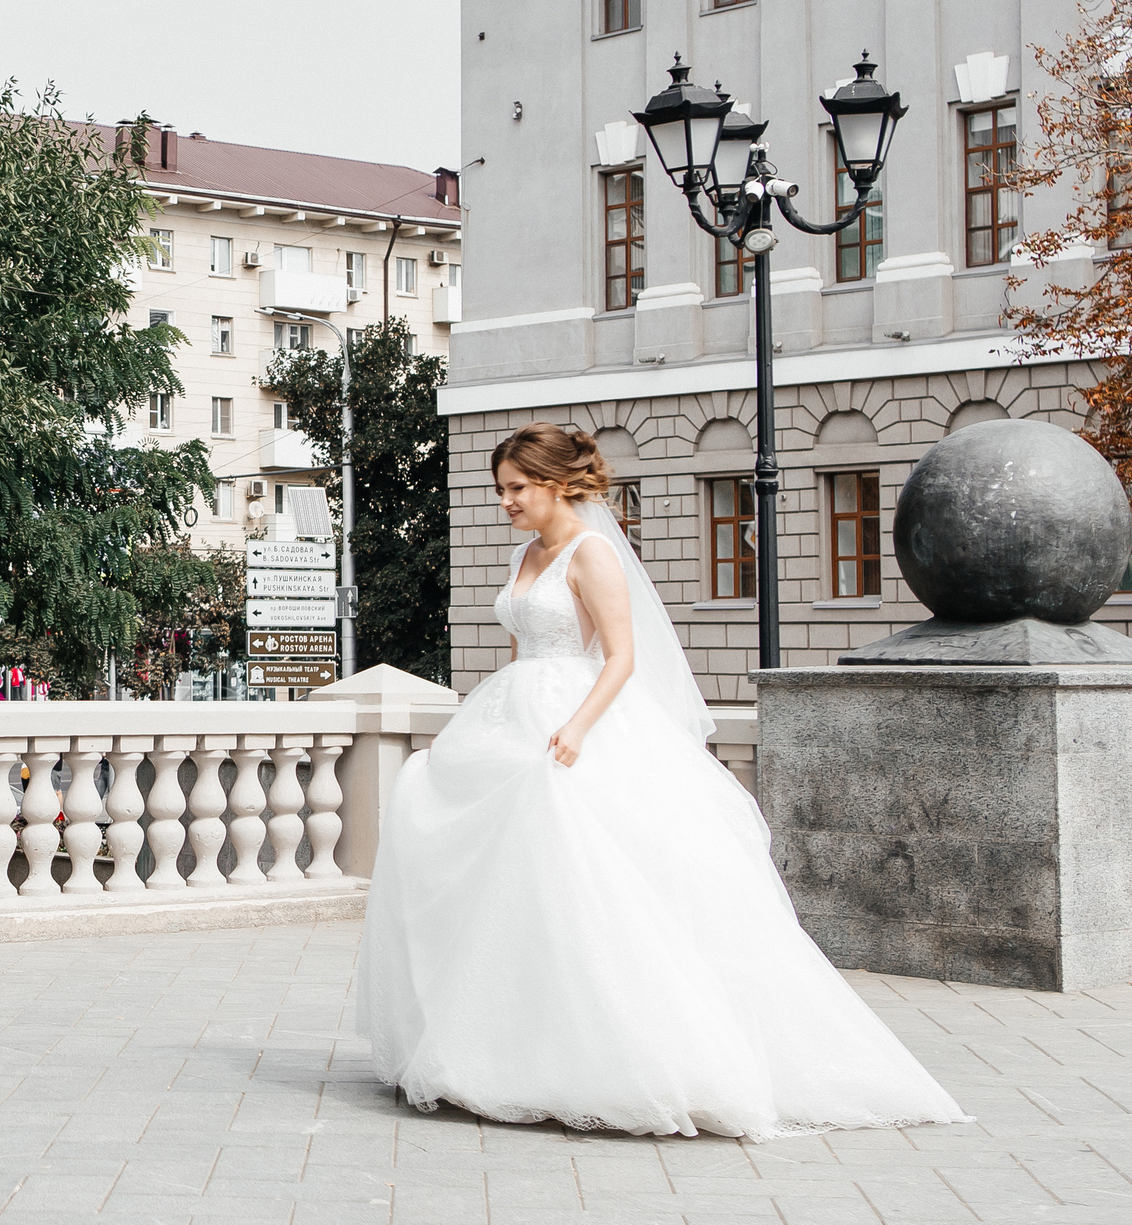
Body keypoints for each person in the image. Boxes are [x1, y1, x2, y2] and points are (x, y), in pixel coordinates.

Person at [354, 422, 965, 1139]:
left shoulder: (594, 552)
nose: (506, 502)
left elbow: (620, 657)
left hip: (578, 724)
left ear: (555, 482)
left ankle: (615, 1055)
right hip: (514, 712)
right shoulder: (525, 553)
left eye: (516, 488)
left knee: (583, 883)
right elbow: (522, 650)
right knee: (491, 867)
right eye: (501, 490)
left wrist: (577, 727)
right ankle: (501, 1045)